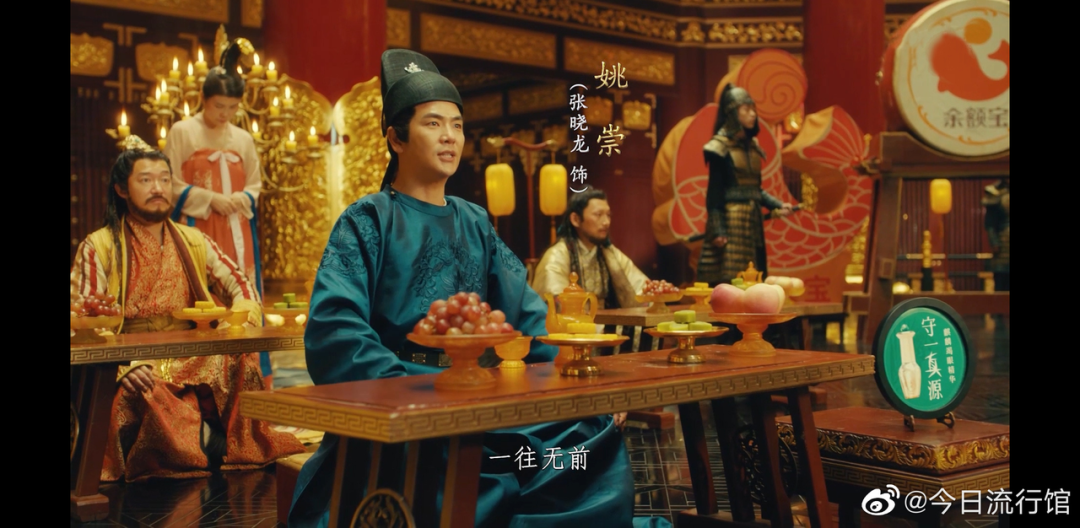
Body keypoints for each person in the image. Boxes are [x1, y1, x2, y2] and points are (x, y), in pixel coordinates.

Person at [288, 50, 667, 528]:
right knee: (460, 457)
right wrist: (408, 389)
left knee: (588, 429)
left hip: (481, 392)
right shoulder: (368, 219)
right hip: (402, 396)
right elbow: (335, 328)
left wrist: (576, 379)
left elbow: (526, 314)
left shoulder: (474, 221)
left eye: (457, 125)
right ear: (396, 138)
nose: (449, 136)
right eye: (432, 124)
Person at [70, 136, 304, 482]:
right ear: (121, 189)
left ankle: (230, 449)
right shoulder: (100, 245)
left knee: (241, 360)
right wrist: (120, 365)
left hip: (190, 350)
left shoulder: (193, 239)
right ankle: (191, 453)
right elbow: (86, 319)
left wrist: (239, 321)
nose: (158, 188)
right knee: (143, 390)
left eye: (165, 179)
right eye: (146, 180)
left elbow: (241, 285)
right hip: (133, 356)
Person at [164, 40, 273, 386]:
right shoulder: (183, 131)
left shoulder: (243, 138)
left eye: (232, 107)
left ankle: (250, 371)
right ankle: (201, 375)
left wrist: (239, 198)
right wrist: (210, 198)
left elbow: (255, 184)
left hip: (237, 226)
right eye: (218, 106)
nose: (224, 114)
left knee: (242, 287)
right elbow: (170, 181)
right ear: (203, 99)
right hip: (198, 224)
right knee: (204, 290)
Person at [696, 83, 795, 285]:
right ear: (732, 112)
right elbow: (714, 193)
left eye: (753, 109)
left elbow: (755, 190)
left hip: (752, 220)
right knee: (731, 278)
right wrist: (718, 229)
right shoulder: (719, 147)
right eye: (746, 109)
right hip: (732, 221)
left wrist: (777, 205)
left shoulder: (752, 146)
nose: (752, 114)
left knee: (755, 276)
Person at [531, 187, 648, 310]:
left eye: (608, 215)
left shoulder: (610, 253)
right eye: (598, 215)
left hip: (609, 321)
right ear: (576, 219)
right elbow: (555, 299)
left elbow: (639, 288)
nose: (606, 222)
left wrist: (653, 293)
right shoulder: (556, 256)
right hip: (574, 321)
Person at [982, 178, 1009, 292]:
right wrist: (994, 242)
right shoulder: (996, 193)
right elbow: (990, 224)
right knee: (1002, 284)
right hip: (1004, 244)